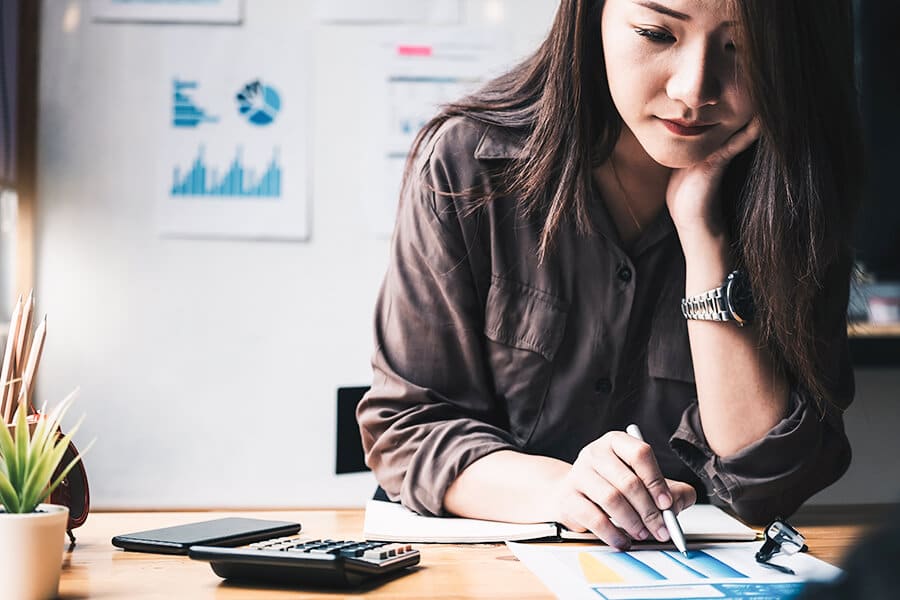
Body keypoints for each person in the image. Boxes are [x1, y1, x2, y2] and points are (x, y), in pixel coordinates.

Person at [358, 0, 863, 550]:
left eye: (741, 48)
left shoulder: (798, 192)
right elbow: (408, 427)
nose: (694, 90)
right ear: (591, 17)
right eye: (656, 33)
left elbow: (770, 482)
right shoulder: (469, 163)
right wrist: (566, 491)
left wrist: (703, 236)